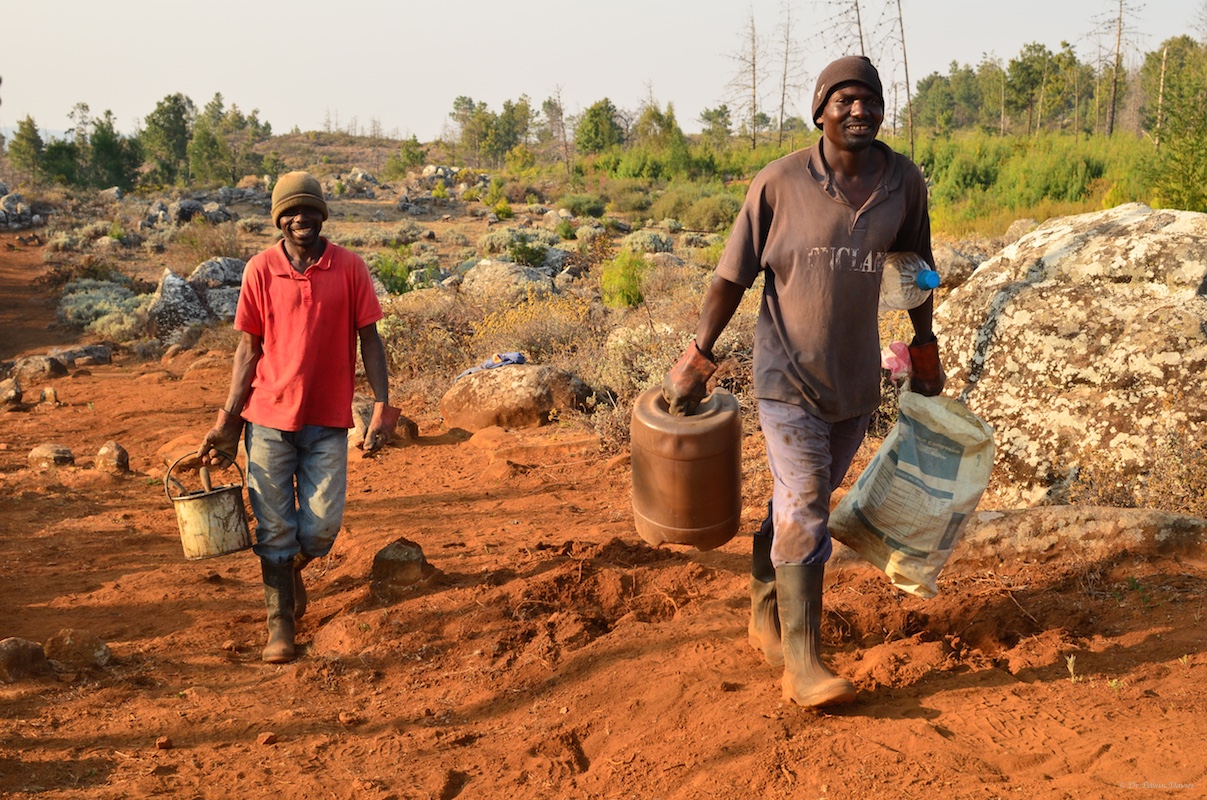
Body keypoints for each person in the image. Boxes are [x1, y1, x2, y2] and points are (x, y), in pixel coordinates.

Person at [662, 56, 945, 708]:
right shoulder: (779, 183)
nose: (859, 110)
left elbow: (916, 266)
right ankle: (803, 664)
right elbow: (730, 277)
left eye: (870, 100)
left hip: (854, 382)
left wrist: (925, 344)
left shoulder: (902, 181)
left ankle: (765, 605)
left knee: (799, 502)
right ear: (820, 111)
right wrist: (697, 357)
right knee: (808, 503)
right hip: (785, 377)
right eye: (845, 100)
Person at [197, 171, 393, 664]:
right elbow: (248, 350)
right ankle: (280, 624)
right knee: (275, 527)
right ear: (278, 219)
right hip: (267, 417)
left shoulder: (350, 267)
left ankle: (289, 568)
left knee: (321, 528)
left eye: (308, 209)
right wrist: (228, 420)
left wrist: (382, 409)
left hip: (327, 419)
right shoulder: (260, 269)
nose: (300, 218)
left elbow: (370, 340)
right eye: (289, 211)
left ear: (322, 214)